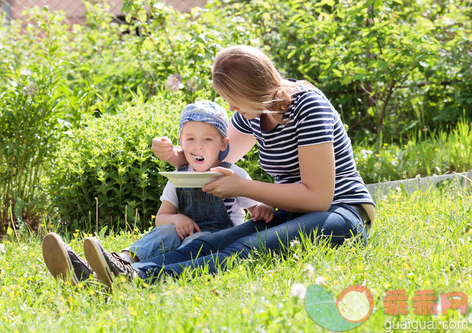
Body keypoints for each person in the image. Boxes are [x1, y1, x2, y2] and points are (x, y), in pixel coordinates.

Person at [82, 45, 376, 289]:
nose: (232, 109)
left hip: (342, 213)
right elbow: (214, 157)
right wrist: (175, 155)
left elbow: (318, 197)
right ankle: (106, 271)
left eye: (233, 100)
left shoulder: (308, 107)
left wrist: (245, 188)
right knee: (214, 242)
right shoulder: (253, 112)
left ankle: (137, 277)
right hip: (293, 214)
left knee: (246, 249)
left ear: (255, 88)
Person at [42, 100, 274, 286]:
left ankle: (118, 274)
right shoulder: (179, 177)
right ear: (181, 142)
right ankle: (119, 261)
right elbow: (161, 218)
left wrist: (261, 209)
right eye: (190, 139)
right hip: (182, 236)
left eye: (207, 139)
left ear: (223, 144)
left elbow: (256, 209)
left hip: (216, 241)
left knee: (197, 241)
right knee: (164, 233)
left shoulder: (232, 174)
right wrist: (177, 219)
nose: (198, 146)